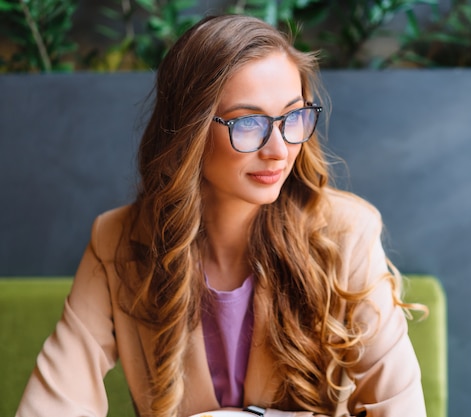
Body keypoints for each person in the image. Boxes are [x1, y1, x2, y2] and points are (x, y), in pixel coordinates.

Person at [16, 14, 427, 417]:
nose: (279, 150)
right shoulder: (118, 241)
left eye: (293, 117)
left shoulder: (346, 233)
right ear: (189, 131)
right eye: (248, 123)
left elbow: (401, 408)